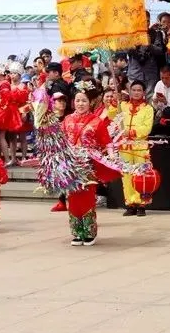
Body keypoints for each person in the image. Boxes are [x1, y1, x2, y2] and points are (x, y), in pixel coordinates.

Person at [62, 84, 116, 246]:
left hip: (88, 165)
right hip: (71, 165)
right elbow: (62, 141)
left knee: (87, 198)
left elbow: (107, 142)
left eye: (84, 101)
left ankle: (89, 232)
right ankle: (77, 232)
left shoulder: (97, 122)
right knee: (72, 198)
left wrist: (112, 158)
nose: (80, 104)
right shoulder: (67, 120)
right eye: (77, 100)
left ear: (90, 102)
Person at [119, 80, 154, 216]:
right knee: (126, 175)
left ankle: (142, 204)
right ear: (130, 91)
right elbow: (113, 118)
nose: (136, 92)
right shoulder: (122, 105)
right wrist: (111, 106)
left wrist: (131, 133)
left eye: (139, 90)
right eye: (134, 90)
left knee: (141, 175)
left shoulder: (148, 108)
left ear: (144, 92)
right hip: (124, 145)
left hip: (140, 146)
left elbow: (146, 128)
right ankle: (130, 203)